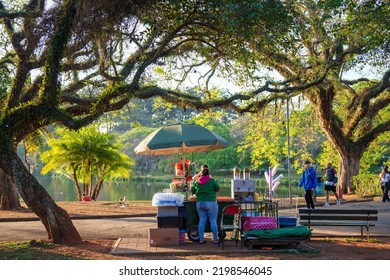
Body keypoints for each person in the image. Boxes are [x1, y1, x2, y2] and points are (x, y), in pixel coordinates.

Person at [190, 167, 220, 244]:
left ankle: (201, 239)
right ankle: (215, 239)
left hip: (200, 203)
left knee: (202, 221)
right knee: (213, 221)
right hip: (211, 203)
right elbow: (218, 189)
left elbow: (192, 190)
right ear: (208, 173)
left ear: (201, 173)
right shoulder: (211, 180)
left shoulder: (197, 181)